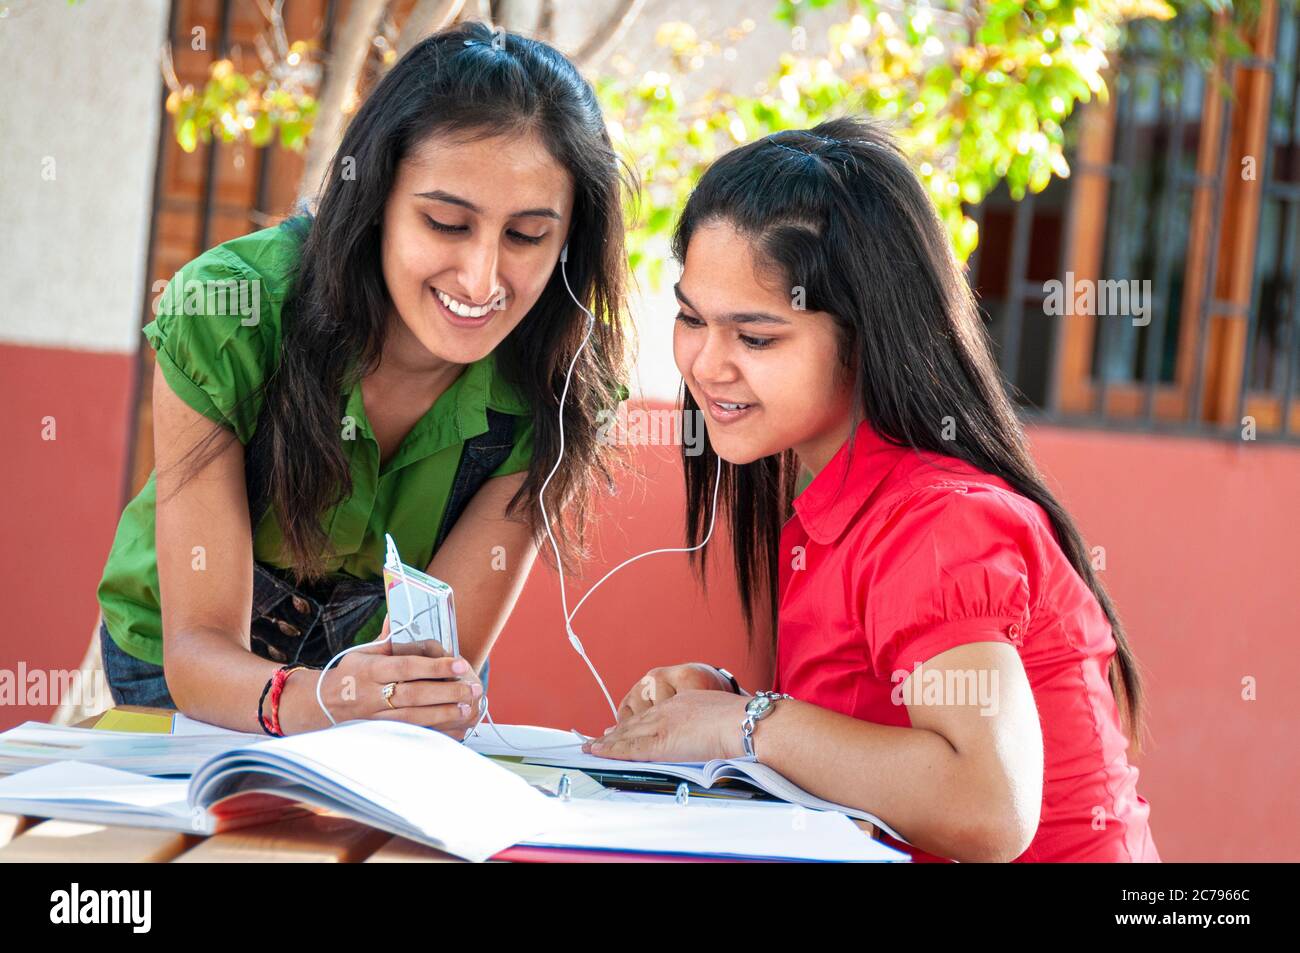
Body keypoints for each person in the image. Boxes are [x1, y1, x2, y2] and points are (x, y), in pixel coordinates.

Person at [585, 117, 1159, 863]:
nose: (706, 362)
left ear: (866, 335)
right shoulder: (831, 499)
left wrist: (745, 724)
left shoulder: (939, 523)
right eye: (691, 318)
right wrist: (720, 705)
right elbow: (871, 742)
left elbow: (988, 805)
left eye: (755, 337)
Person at [97, 22, 630, 738]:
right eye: (446, 223)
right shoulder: (227, 310)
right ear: (374, 200)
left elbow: (440, 667)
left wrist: (406, 696)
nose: (481, 278)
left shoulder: (559, 383)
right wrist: (329, 697)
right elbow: (197, 654)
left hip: (384, 700)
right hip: (179, 672)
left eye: (527, 236)